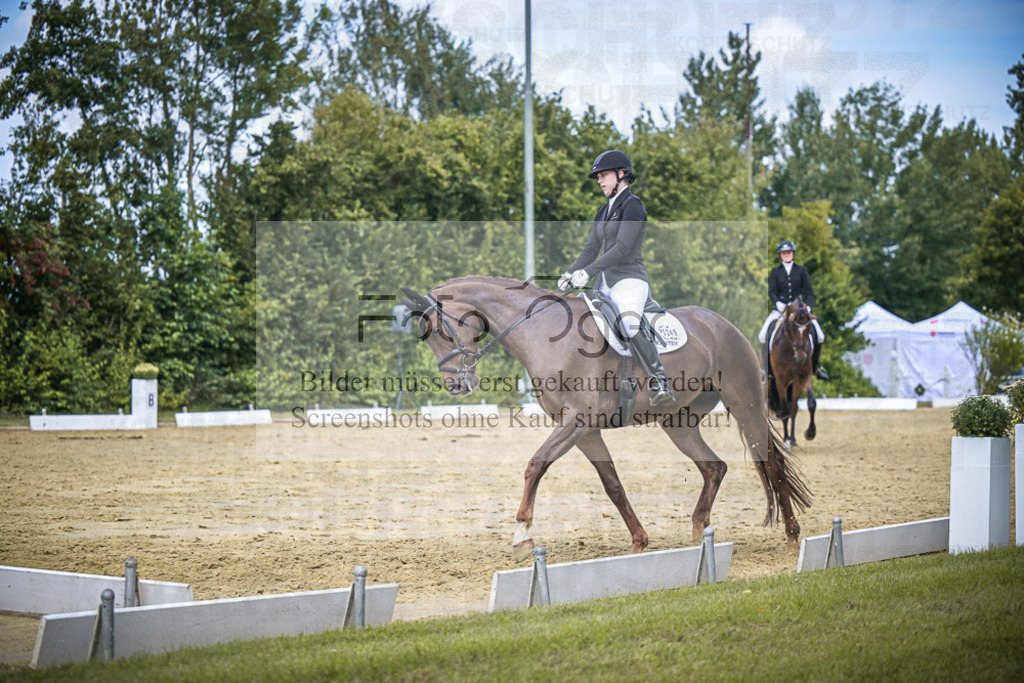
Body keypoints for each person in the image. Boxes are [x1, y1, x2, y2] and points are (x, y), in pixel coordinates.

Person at [557, 150, 675, 407]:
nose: (599, 181)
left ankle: (659, 380)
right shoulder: (603, 210)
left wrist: (587, 272)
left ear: (621, 175)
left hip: (629, 279)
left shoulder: (633, 205)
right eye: (598, 177)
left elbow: (621, 248)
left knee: (630, 324)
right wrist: (569, 272)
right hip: (604, 285)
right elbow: (590, 249)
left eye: (604, 175)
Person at [758, 239, 828, 382]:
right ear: (780, 255)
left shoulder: (801, 270)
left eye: (789, 252)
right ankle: (765, 369)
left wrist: (808, 306)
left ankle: (816, 367)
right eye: (784, 253)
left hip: (799, 310)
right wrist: (777, 303)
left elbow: (809, 292)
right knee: (762, 335)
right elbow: (772, 291)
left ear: (793, 254)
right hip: (781, 310)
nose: (786, 255)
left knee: (820, 335)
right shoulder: (775, 272)